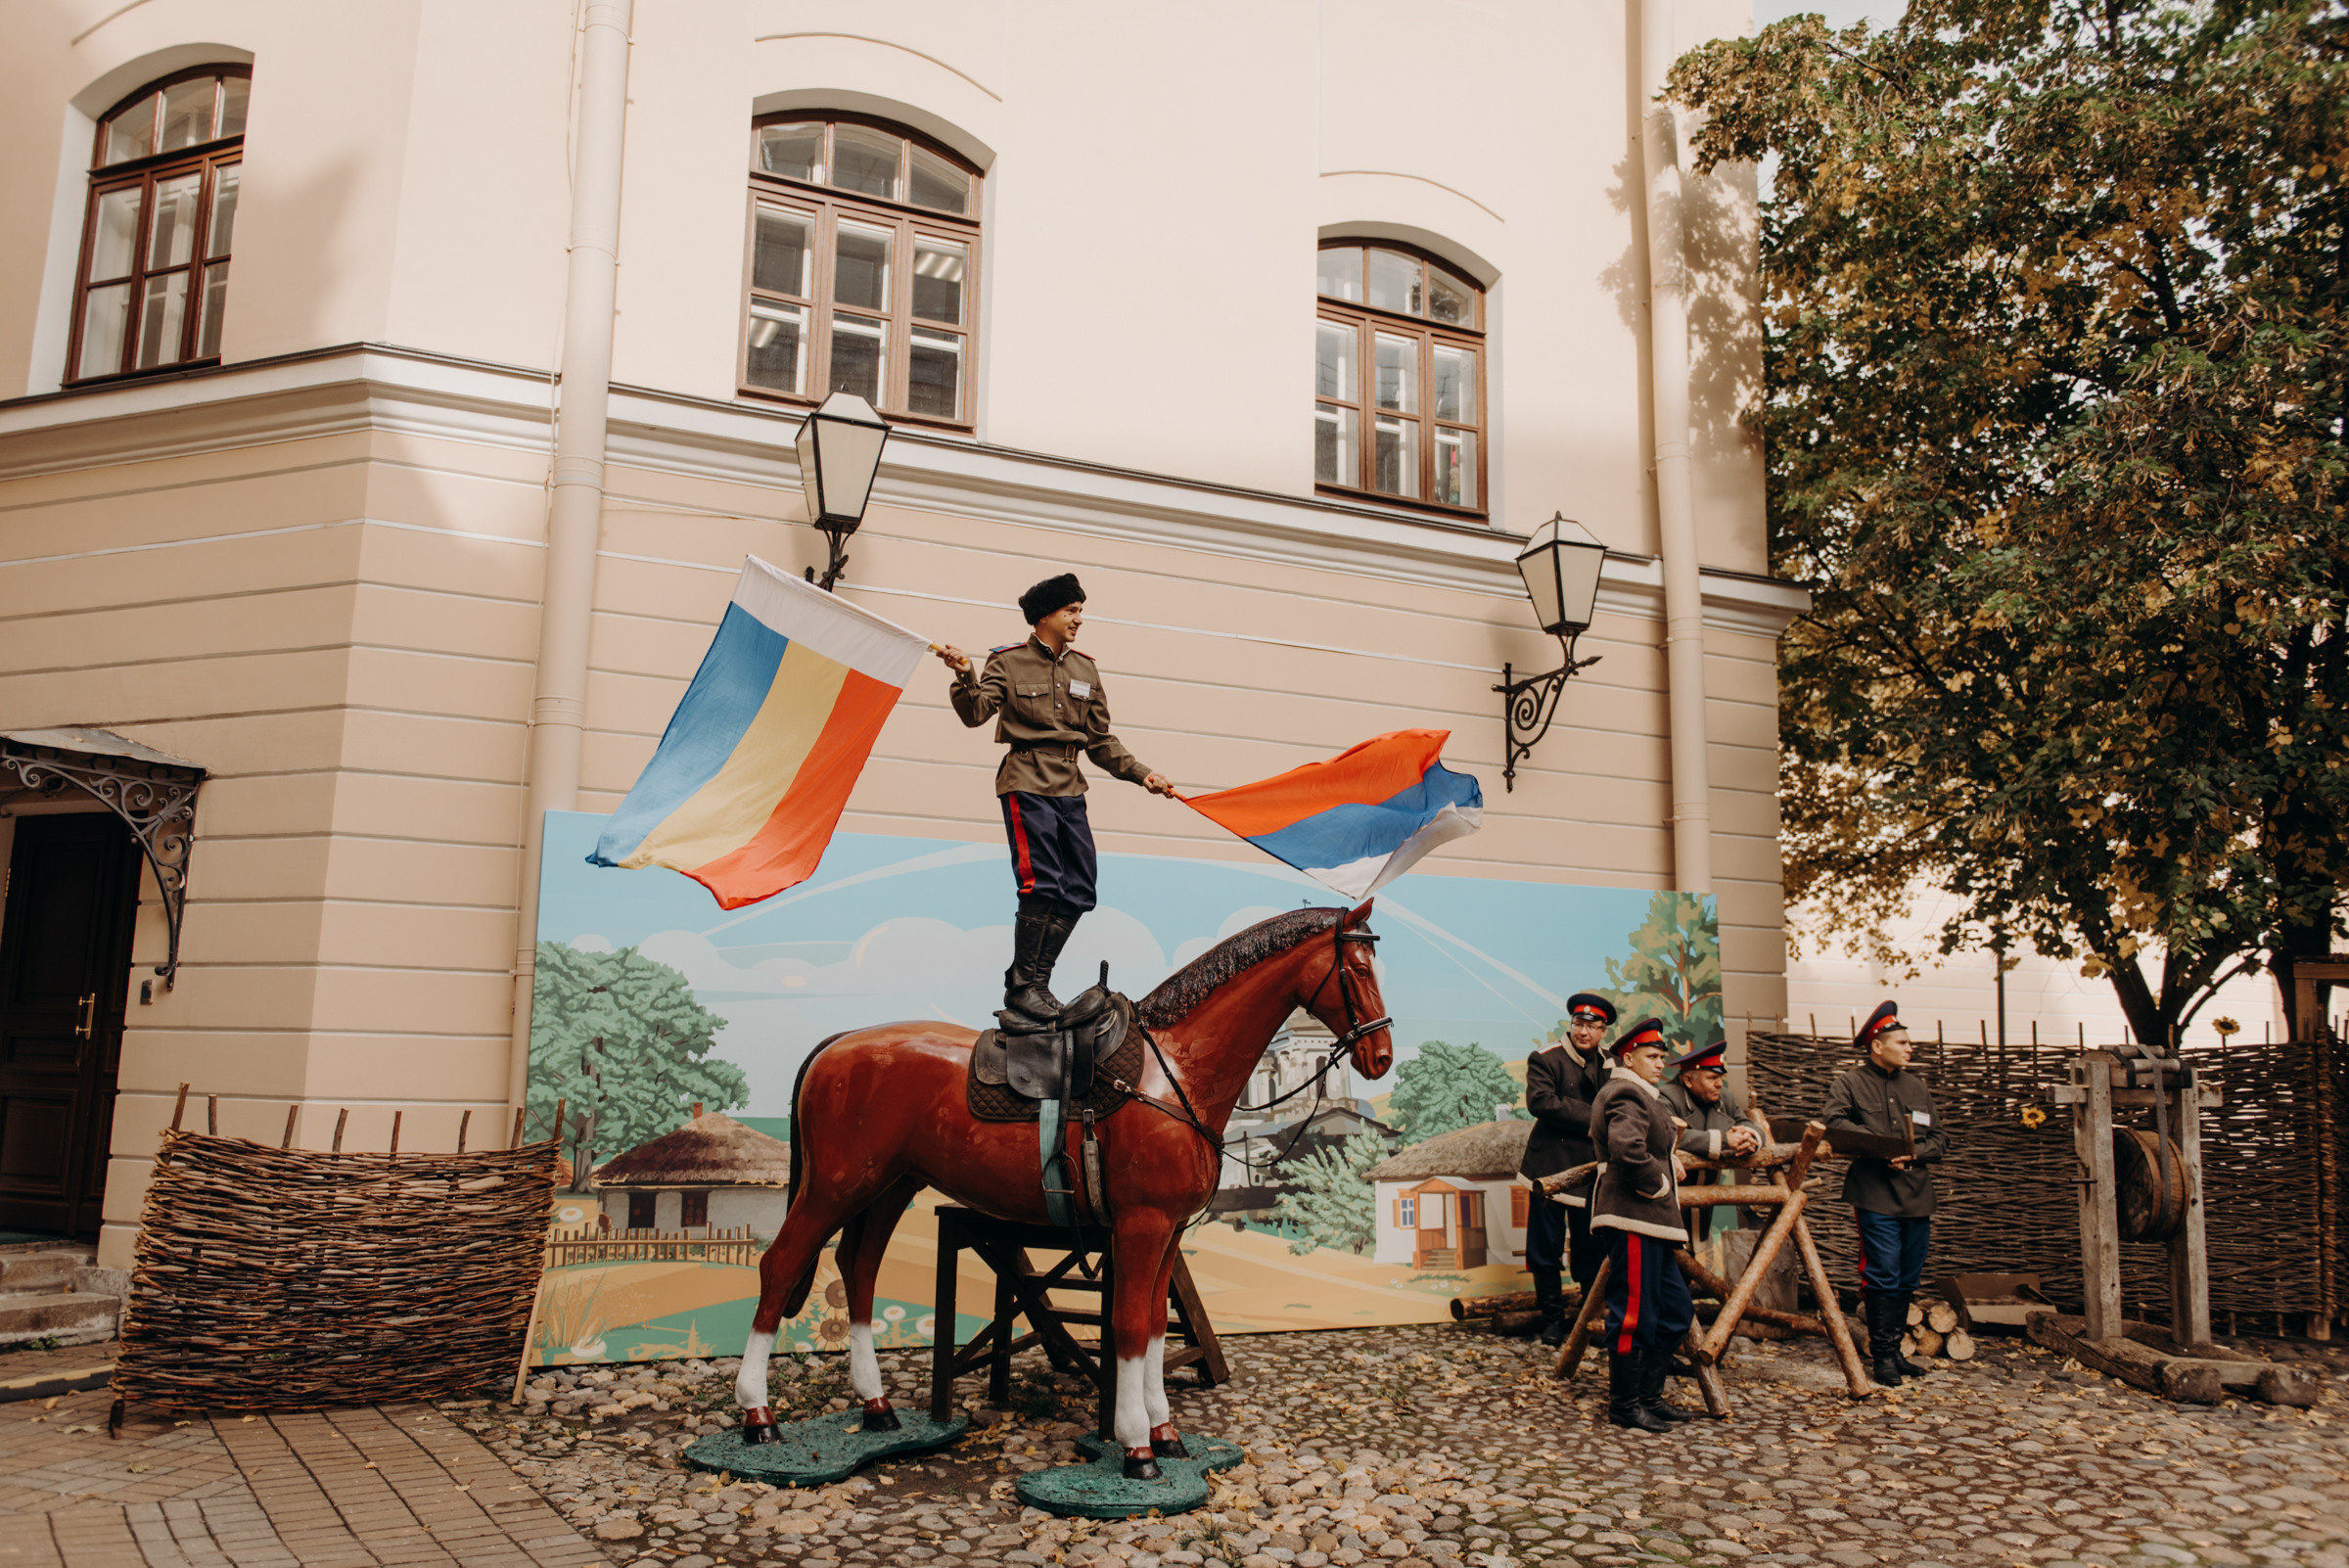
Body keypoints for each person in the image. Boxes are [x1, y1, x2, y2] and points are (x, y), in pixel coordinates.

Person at [935, 574, 1175, 1023]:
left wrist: (1143, 774)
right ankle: (1028, 987)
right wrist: (964, 673)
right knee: (1041, 883)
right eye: (1071, 611)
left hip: (1070, 784)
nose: (1079, 620)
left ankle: (1031, 981)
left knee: (1081, 888)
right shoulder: (1006, 662)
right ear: (1045, 615)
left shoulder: (1086, 668)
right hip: (1026, 780)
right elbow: (975, 714)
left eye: (1080, 611)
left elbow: (1100, 740)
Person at [1821, 999, 1948, 1388]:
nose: (1911, 1048)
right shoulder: (1850, 1083)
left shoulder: (1916, 1086)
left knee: (1908, 1276)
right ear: (1878, 1045)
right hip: (1875, 1194)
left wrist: (1913, 1154)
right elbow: (1835, 1122)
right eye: (1903, 1042)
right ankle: (1883, 1358)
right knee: (1883, 1274)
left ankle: (1895, 1353)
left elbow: (1940, 1139)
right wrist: (1882, 1147)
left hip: (1917, 1195)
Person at [1588, 1017, 1697, 1432]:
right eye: (1651, 1056)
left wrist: (1670, 1161)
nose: (1660, 1063)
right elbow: (1626, 1148)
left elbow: (1646, 1144)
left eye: (1661, 1057)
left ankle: (1649, 1397)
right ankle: (1625, 1406)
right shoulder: (1625, 1091)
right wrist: (1659, 1183)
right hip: (1632, 1216)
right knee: (1634, 1313)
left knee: (1675, 1309)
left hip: (1651, 1222)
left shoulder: (1640, 1092)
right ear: (1627, 1057)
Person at [1519, 993, 1617, 1345]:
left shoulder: (1613, 1064)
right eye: (1578, 1023)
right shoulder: (1546, 1058)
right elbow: (1541, 1102)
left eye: (1592, 1026)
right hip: (1548, 1169)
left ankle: (1587, 1322)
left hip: (1591, 1171)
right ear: (1571, 1025)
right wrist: (1598, 1118)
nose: (1583, 1031)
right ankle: (1552, 1322)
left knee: (1591, 1250)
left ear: (1603, 1031)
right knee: (1545, 1251)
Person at [1661, 1038, 1768, 1244]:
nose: (1719, 1083)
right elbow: (1668, 1134)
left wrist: (1751, 1138)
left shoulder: (1724, 1098)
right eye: (1712, 1078)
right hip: (1672, 1201)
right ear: (1689, 1081)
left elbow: (1748, 1123)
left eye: (1720, 1077)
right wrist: (1725, 1140)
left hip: (1703, 1203)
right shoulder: (1666, 1097)